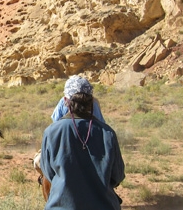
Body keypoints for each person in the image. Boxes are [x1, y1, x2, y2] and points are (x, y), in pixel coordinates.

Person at [40, 76, 125, 210]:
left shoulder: (51, 132)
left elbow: (48, 173)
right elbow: (117, 176)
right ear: (92, 102)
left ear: (65, 101)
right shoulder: (107, 132)